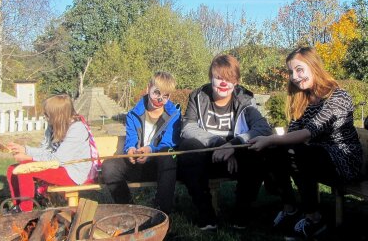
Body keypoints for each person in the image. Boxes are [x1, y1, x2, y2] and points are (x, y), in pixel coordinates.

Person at [248, 46, 363, 238]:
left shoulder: (338, 96)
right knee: (275, 151)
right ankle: (290, 208)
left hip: (344, 159)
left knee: (299, 152)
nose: (294, 76)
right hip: (316, 155)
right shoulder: (303, 100)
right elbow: (293, 132)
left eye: (299, 69)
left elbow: (309, 132)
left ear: (314, 66)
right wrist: (272, 143)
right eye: (291, 72)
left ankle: (314, 219)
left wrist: (269, 138)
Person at [178, 54, 272, 230]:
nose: (223, 84)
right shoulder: (197, 96)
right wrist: (219, 143)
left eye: (229, 79)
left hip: (237, 159)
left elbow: (263, 128)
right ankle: (206, 215)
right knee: (188, 148)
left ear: (236, 82)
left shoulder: (245, 98)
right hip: (207, 156)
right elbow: (187, 128)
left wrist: (234, 146)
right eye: (218, 78)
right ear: (210, 77)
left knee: (259, 152)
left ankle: (241, 213)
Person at [101, 72, 181, 215]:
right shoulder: (133, 114)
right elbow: (131, 139)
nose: (160, 99)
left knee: (169, 156)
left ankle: (162, 213)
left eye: (165, 96)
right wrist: (130, 149)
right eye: (156, 92)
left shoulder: (174, 115)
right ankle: (129, 211)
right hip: (138, 164)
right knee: (109, 166)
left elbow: (169, 143)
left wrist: (151, 150)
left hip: (162, 167)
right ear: (148, 88)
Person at [6, 94, 94, 212]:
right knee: (12, 169)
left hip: (73, 172)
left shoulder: (77, 129)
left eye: (47, 114)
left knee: (25, 169)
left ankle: (25, 211)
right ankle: (18, 206)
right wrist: (24, 149)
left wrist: (28, 158)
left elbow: (57, 160)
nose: (45, 117)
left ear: (57, 115)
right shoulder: (53, 126)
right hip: (59, 165)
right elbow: (45, 150)